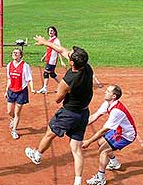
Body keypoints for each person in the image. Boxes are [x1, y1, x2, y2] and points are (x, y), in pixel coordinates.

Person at [25, 35, 93, 185]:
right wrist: (45, 43)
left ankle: (37, 155)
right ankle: (77, 181)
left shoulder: (69, 79)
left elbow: (57, 99)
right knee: (76, 148)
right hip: (83, 113)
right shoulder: (87, 67)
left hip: (68, 113)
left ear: (72, 62)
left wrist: (62, 90)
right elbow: (62, 50)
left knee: (49, 133)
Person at [82, 85, 137, 185]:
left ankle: (100, 178)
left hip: (126, 135)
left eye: (108, 91)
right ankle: (114, 163)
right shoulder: (107, 103)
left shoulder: (116, 111)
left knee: (103, 150)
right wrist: (80, 125)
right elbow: (95, 116)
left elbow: (104, 130)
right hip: (119, 131)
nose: (105, 92)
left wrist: (88, 141)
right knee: (100, 142)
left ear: (114, 96)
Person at [5, 48, 34, 140]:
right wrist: (6, 91)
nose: (14, 54)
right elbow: (9, 79)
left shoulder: (25, 66)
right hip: (11, 90)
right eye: (13, 52)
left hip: (21, 92)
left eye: (16, 53)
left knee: (17, 112)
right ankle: (13, 119)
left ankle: (14, 130)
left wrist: (32, 89)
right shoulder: (9, 65)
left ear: (20, 55)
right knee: (10, 111)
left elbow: (29, 79)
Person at [36, 26, 66, 94]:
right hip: (49, 59)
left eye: (52, 30)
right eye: (49, 31)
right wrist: (44, 57)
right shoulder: (49, 39)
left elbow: (59, 50)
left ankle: (45, 88)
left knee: (46, 73)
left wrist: (61, 61)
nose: (50, 32)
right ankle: (62, 86)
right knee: (52, 74)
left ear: (55, 32)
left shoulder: (56, 40)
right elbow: (49, 50)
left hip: (52, 60)